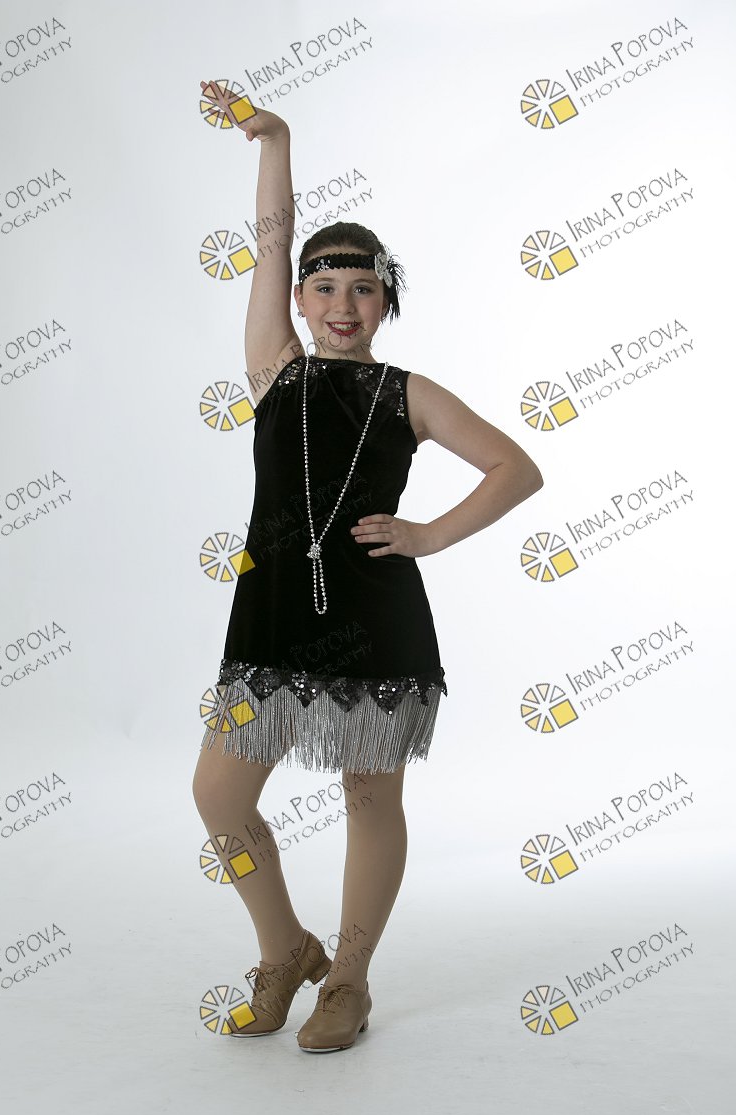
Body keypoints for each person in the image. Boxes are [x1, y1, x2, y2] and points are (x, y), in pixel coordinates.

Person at [193, 79, 544, 1053]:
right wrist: (275, 139)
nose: (341, 306)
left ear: (386, 299)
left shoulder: (408, 393)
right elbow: (270, 241)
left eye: (362, 289)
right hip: (271, 614)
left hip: (374, 617)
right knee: (219, 794)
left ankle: (347, 978)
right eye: (323, 288)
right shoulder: (275, 369)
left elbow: (515, 468)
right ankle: (285, 949)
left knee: (368, 795)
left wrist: (428, 534)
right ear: (298, 301)